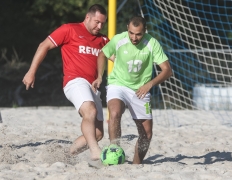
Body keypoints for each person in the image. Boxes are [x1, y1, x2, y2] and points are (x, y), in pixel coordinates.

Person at [22, 4, 109, 160]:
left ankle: (67, 155)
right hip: (74, 81)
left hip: (93, 87)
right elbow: (44, 45)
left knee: (98, 133)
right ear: (87, 17)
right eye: (97, 22)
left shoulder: (103, 40)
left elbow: (119, 58)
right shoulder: (70, 29)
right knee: (90, 111)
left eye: (103, 23)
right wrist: (31, 71)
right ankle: (96, 153)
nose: (100, 26)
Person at [92, 15, 172, 164]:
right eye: (131, 33)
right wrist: (99, 77)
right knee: (115, 113)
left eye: (138, 34)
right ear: (127, 29)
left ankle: (136, 165)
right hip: (118, 84)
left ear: (145, 31)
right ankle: (114, 152)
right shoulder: (119, 39)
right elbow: (103, 54)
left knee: (146, 134)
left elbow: (167, 70)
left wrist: (149, 84)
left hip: (141, 90)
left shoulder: (152, 43)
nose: (134, 37)